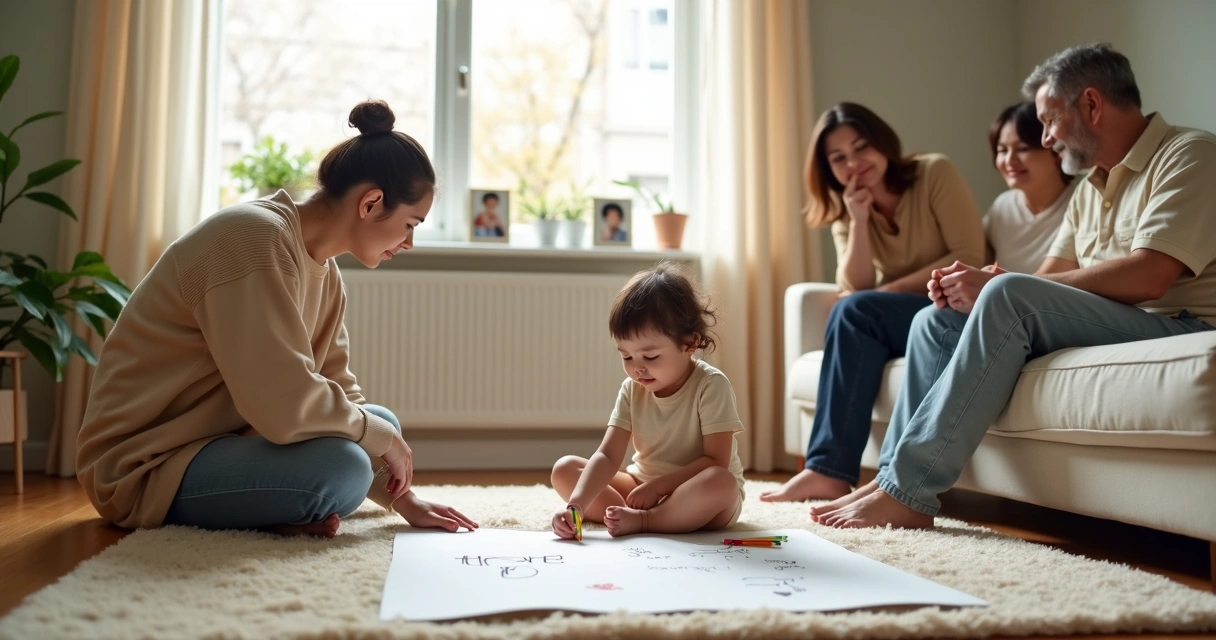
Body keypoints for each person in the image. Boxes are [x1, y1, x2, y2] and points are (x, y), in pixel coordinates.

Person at [812, 43, 1216, 529]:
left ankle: (909, 490)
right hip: (1117, 322)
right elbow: (1047, 280)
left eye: (1048, 121)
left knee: (1006, 295)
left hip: (1179, 327)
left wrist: (999, 286)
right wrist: (980, 289)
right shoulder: (1091, 187)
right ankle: (889, 478)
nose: (1046, 139)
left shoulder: (1190, 154)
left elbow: (1151, 274)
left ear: (1091, 104)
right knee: (935, 319)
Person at [76, 100, 479, 537]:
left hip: (224, 439)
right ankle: (279, 511)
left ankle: (278, 511)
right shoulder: (252, 237)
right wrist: (377, 438)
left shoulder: (326, 275)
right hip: (148, 462)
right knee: (344, 466)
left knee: (379, 421)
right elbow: (282, 405)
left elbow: (337, 386)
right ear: (371, 203)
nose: (409, 243)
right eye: (411, 224)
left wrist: (403, 498)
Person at [759, 102, 985, 503]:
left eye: (862, 148)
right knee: (853, 312)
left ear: (883, 144)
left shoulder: (934, 172)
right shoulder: (848, 207)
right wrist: (859, 220)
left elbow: (968, 255)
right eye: (839, 158)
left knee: (857, 309)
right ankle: (826, 470)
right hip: (905, 319)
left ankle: (828, 469)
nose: (854, 163)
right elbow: (853, 283)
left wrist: (885, 292)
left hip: (957, 308)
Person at [550, 263, 746, 537]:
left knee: (721, 482)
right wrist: (577, 506)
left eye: (650, 357)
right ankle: (627, 517)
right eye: (626, 357)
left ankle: (646, 521)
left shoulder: (711, 385)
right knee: (565, 469)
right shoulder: (632, 389)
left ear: (690, 343)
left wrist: (660, 488)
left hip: (697, 494)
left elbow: (715, 461)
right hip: (640, 485)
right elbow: (607, 455)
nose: (637, 368)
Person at [984, 101, 1076, 274]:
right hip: (1004, 300)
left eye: (1023, 149)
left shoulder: (1081, 203)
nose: (1010, 161)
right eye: (1002, 151)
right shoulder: (1002, 207)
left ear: (1056, 150)